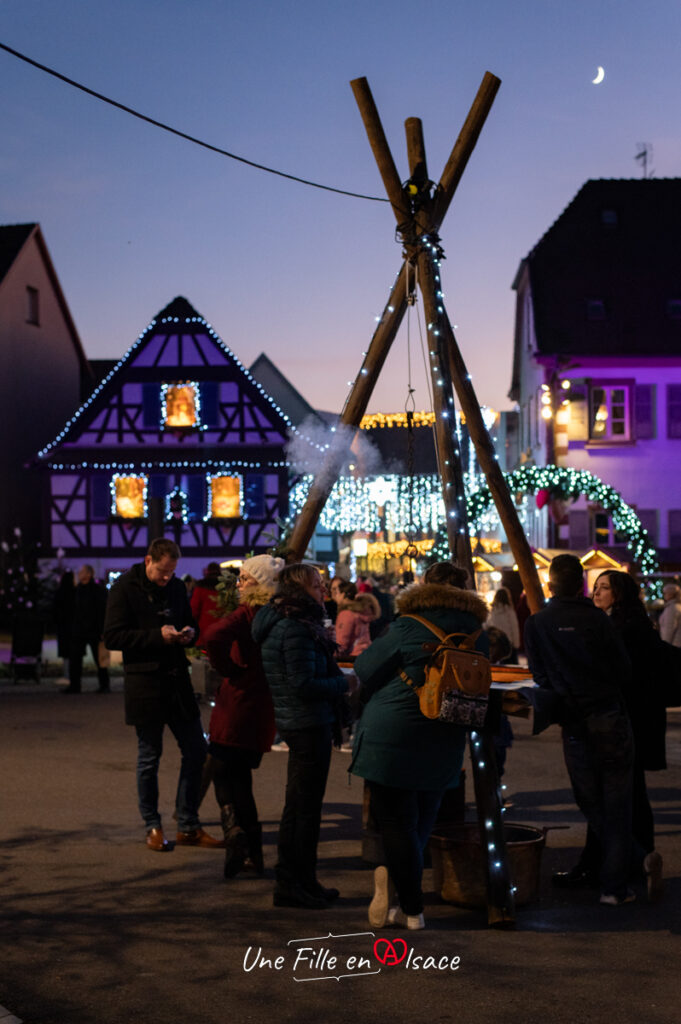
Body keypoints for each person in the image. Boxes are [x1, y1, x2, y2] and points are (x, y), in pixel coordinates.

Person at [350, 560, 489, 930]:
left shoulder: (410, 625)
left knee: (396, 824)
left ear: (426, 586)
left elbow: (365, 668)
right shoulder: (478, 631)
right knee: (422, 820)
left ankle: (411, 908)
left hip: (392, 736)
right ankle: (398, 897)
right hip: (445, 732)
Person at [524, 554, 636, 905]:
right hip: (607, 715)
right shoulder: (596, 620)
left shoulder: (538, 623)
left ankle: (622, 866)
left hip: (573, 721)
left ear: (551, 584)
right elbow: (623, 667)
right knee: (616, 801)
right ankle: (616, 885)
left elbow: (539, 675)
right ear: (580, 584)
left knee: (591, 801)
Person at [103, 538, 222, 852]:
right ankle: (152, 825)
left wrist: (188, 633)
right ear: (148, 560)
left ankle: (188, 823)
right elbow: (113, 636)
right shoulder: (124, 588)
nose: (166, 577)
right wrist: (158, 636)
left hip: (176, 681)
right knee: (149, 757)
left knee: (197, 750)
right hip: (145, 683)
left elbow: (188, 619)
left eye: (172, 572)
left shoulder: (176, 588)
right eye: (162, 571)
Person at [252, 563, 350, 909]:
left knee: (303, 807)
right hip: (307, 723)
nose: (323, 590)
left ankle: (303, 879)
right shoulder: (293, 627)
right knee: (302, 809)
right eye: (316, 585)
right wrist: (343, 684)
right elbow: (302, 684)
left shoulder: (292, 621)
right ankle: (292, 883)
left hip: (305, 721)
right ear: (299, 590)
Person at [203, 554, 284, 878]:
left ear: (259, 585)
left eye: (244, 579)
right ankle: (251, 852)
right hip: (261, 704)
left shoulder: (249, 612)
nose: (238, 584)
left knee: (224, 773)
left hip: (237, 703)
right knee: (239, 779)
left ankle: (235, 833)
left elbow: (212, 636)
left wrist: (228, 668)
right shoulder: (278, 613)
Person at [591, 570, 665, 900]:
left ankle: (638, 858)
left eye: (604, 587)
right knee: (627, 791)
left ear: (619, 593)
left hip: (630, 719)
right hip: (628, 717)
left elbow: (627, 674)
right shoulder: (616, 622)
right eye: (595, 586)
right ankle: (632, 858)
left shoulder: (627, 627)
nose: (597, 592)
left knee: (625, 792)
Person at [63, 565, 110, 694]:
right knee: (75, 659)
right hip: (79, 630)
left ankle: (104, 685)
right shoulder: (77, 590)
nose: (79, 574)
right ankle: (75, 685)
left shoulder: (97, 590)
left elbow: (102, 611)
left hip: (94, 630)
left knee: (99, 658)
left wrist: (102, 630)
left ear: (89, 574)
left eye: (81, 572)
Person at [334, 581, 381, 659]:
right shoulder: (360, 610)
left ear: (343, 595)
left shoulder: (347, 614)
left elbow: (342, 644)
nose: (335, 597)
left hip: (351, 658)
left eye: (336, 593)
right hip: (365, 654)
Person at [487, 587, 521, 661]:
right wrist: (516, 644)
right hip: (508, 644)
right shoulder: (509, 611)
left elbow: (488, 626)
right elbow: (514, 628)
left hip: (496, 643)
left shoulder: (492, 611)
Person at [190, 562, 222, 636]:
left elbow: (194, 610)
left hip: (204, 630)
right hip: (223, 630)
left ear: (207, 571)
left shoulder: (200, 588)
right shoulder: (227, 588)